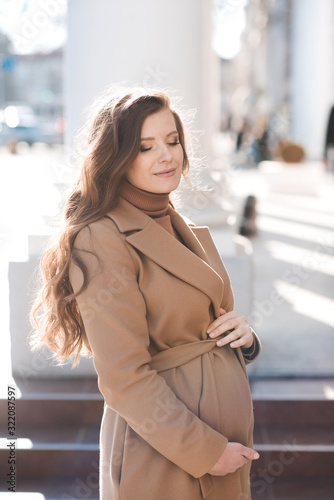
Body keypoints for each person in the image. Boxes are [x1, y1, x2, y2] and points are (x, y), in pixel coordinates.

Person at [30, 87, 261, 500]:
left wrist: (242, 335)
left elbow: (204, 321)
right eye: (145, 147)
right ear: (116, 157)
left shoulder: (184, 227)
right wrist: (206, 452)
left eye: (172, 141)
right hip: (168, 453)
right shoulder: (101, 237)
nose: (167, 155)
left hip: (219, 445)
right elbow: (123, 378)